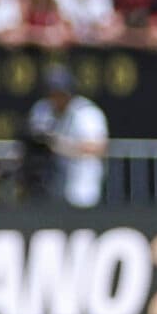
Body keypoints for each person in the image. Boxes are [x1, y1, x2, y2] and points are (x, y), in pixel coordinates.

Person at [25, 66, 109, 208]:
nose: (56, 97)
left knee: (81, 225)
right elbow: (32, 138)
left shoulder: (86, 112)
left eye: (60, 93)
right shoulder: (42, 109)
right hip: (49, 181)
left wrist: (61, 145)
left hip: (81, 181)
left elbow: (99, 148)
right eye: (52, 93)